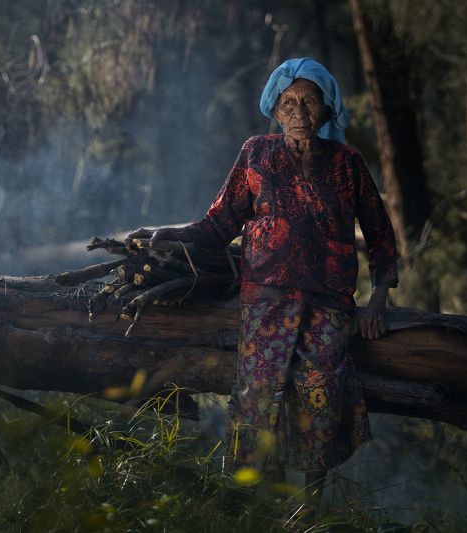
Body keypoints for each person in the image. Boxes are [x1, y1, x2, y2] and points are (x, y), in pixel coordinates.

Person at [127, 57, 398, 493]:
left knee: (321, 398)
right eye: (287, 102)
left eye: (310, 102)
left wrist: (377, 304)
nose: (298, 112)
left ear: (328, 109)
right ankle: (259, 503)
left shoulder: (348, 165)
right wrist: (167, 233)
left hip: (327, 305)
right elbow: (218, 225)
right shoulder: (256, 153)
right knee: (255, 402)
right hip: (266, 304)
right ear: (274, 109)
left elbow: (383, 239)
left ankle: (308, 508)